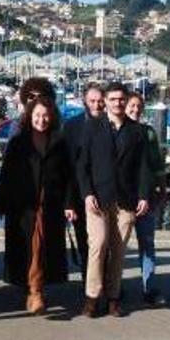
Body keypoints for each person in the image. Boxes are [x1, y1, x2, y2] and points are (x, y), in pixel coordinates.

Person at [74, 82, 153, 318]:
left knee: (119, 251)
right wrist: (87, 193)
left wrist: (143, 196)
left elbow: (143, 168)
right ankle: (92, 296)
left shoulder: (137, 131)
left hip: (126, 200)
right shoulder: (93, 128)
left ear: (126, 100)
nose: (117, 103)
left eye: (121, 99)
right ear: (106, 101)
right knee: (98, 244)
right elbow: (82, 165)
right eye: (113, 99)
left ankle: (113, 297)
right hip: (98, 198)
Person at [0, 95, 72, 315]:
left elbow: (68, 177)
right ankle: (35, 291)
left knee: (44, 246)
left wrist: (69, 203)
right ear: (30, 116)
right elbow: (6, 174)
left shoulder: (59, 142)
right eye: (37, 115)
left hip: (51, 204)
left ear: (52, 116)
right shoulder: (19, 142)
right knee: (32, 245)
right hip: (24, 204)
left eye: (46, 115)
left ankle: (35, 290)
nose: (42, 119)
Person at [127, 93, 169, 306]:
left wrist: (162, 187)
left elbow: (157, 163)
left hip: (147, 196)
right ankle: (113, 287)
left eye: (138, 106)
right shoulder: (115, 131)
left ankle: (149, 287)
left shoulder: (149, 132)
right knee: (116, 246)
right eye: (131, 105)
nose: (135, 109)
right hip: (123, 197)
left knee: (147, 244)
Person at [62, 84, 103, 290]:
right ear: (85, 102)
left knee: (104, 244)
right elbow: (67, 167)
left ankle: (105, 283)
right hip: (78, 194)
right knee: (85, 242)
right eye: (92, 101)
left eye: (99, 101)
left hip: (105, 193)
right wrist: (68, 202)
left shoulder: (111, 124)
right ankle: (90, 285)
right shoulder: (72, 126)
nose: (96, 105)